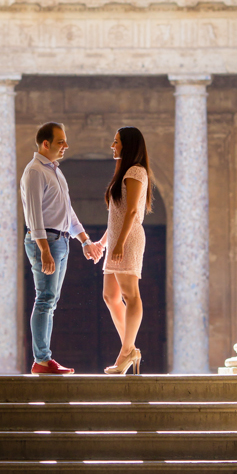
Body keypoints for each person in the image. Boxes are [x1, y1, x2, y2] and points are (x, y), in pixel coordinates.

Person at [21, 121, 103, 375]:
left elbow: (67, 211)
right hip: (46, 242)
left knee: (51, 301)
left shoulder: (55, 171)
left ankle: (43, 359)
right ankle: (42, 360)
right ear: (45, 144)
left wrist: (85, 241)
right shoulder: (35, 171)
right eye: (60, 142)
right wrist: (44, 249)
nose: (66, 146)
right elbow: (34, 215)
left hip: (61, 241)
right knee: (44, 299)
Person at [94, 126, 152, 375]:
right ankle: (129, 349)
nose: (112, 145)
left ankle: (125, 352)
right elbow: (115, 217)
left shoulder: (135, 171)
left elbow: (130, 213)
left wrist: (118, 243)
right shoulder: (122, 172)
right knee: (110, 296)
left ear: (127, 145)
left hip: (128, 240)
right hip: (118, 239)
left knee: (131, 295)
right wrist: (103, 242)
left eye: (115, 141)